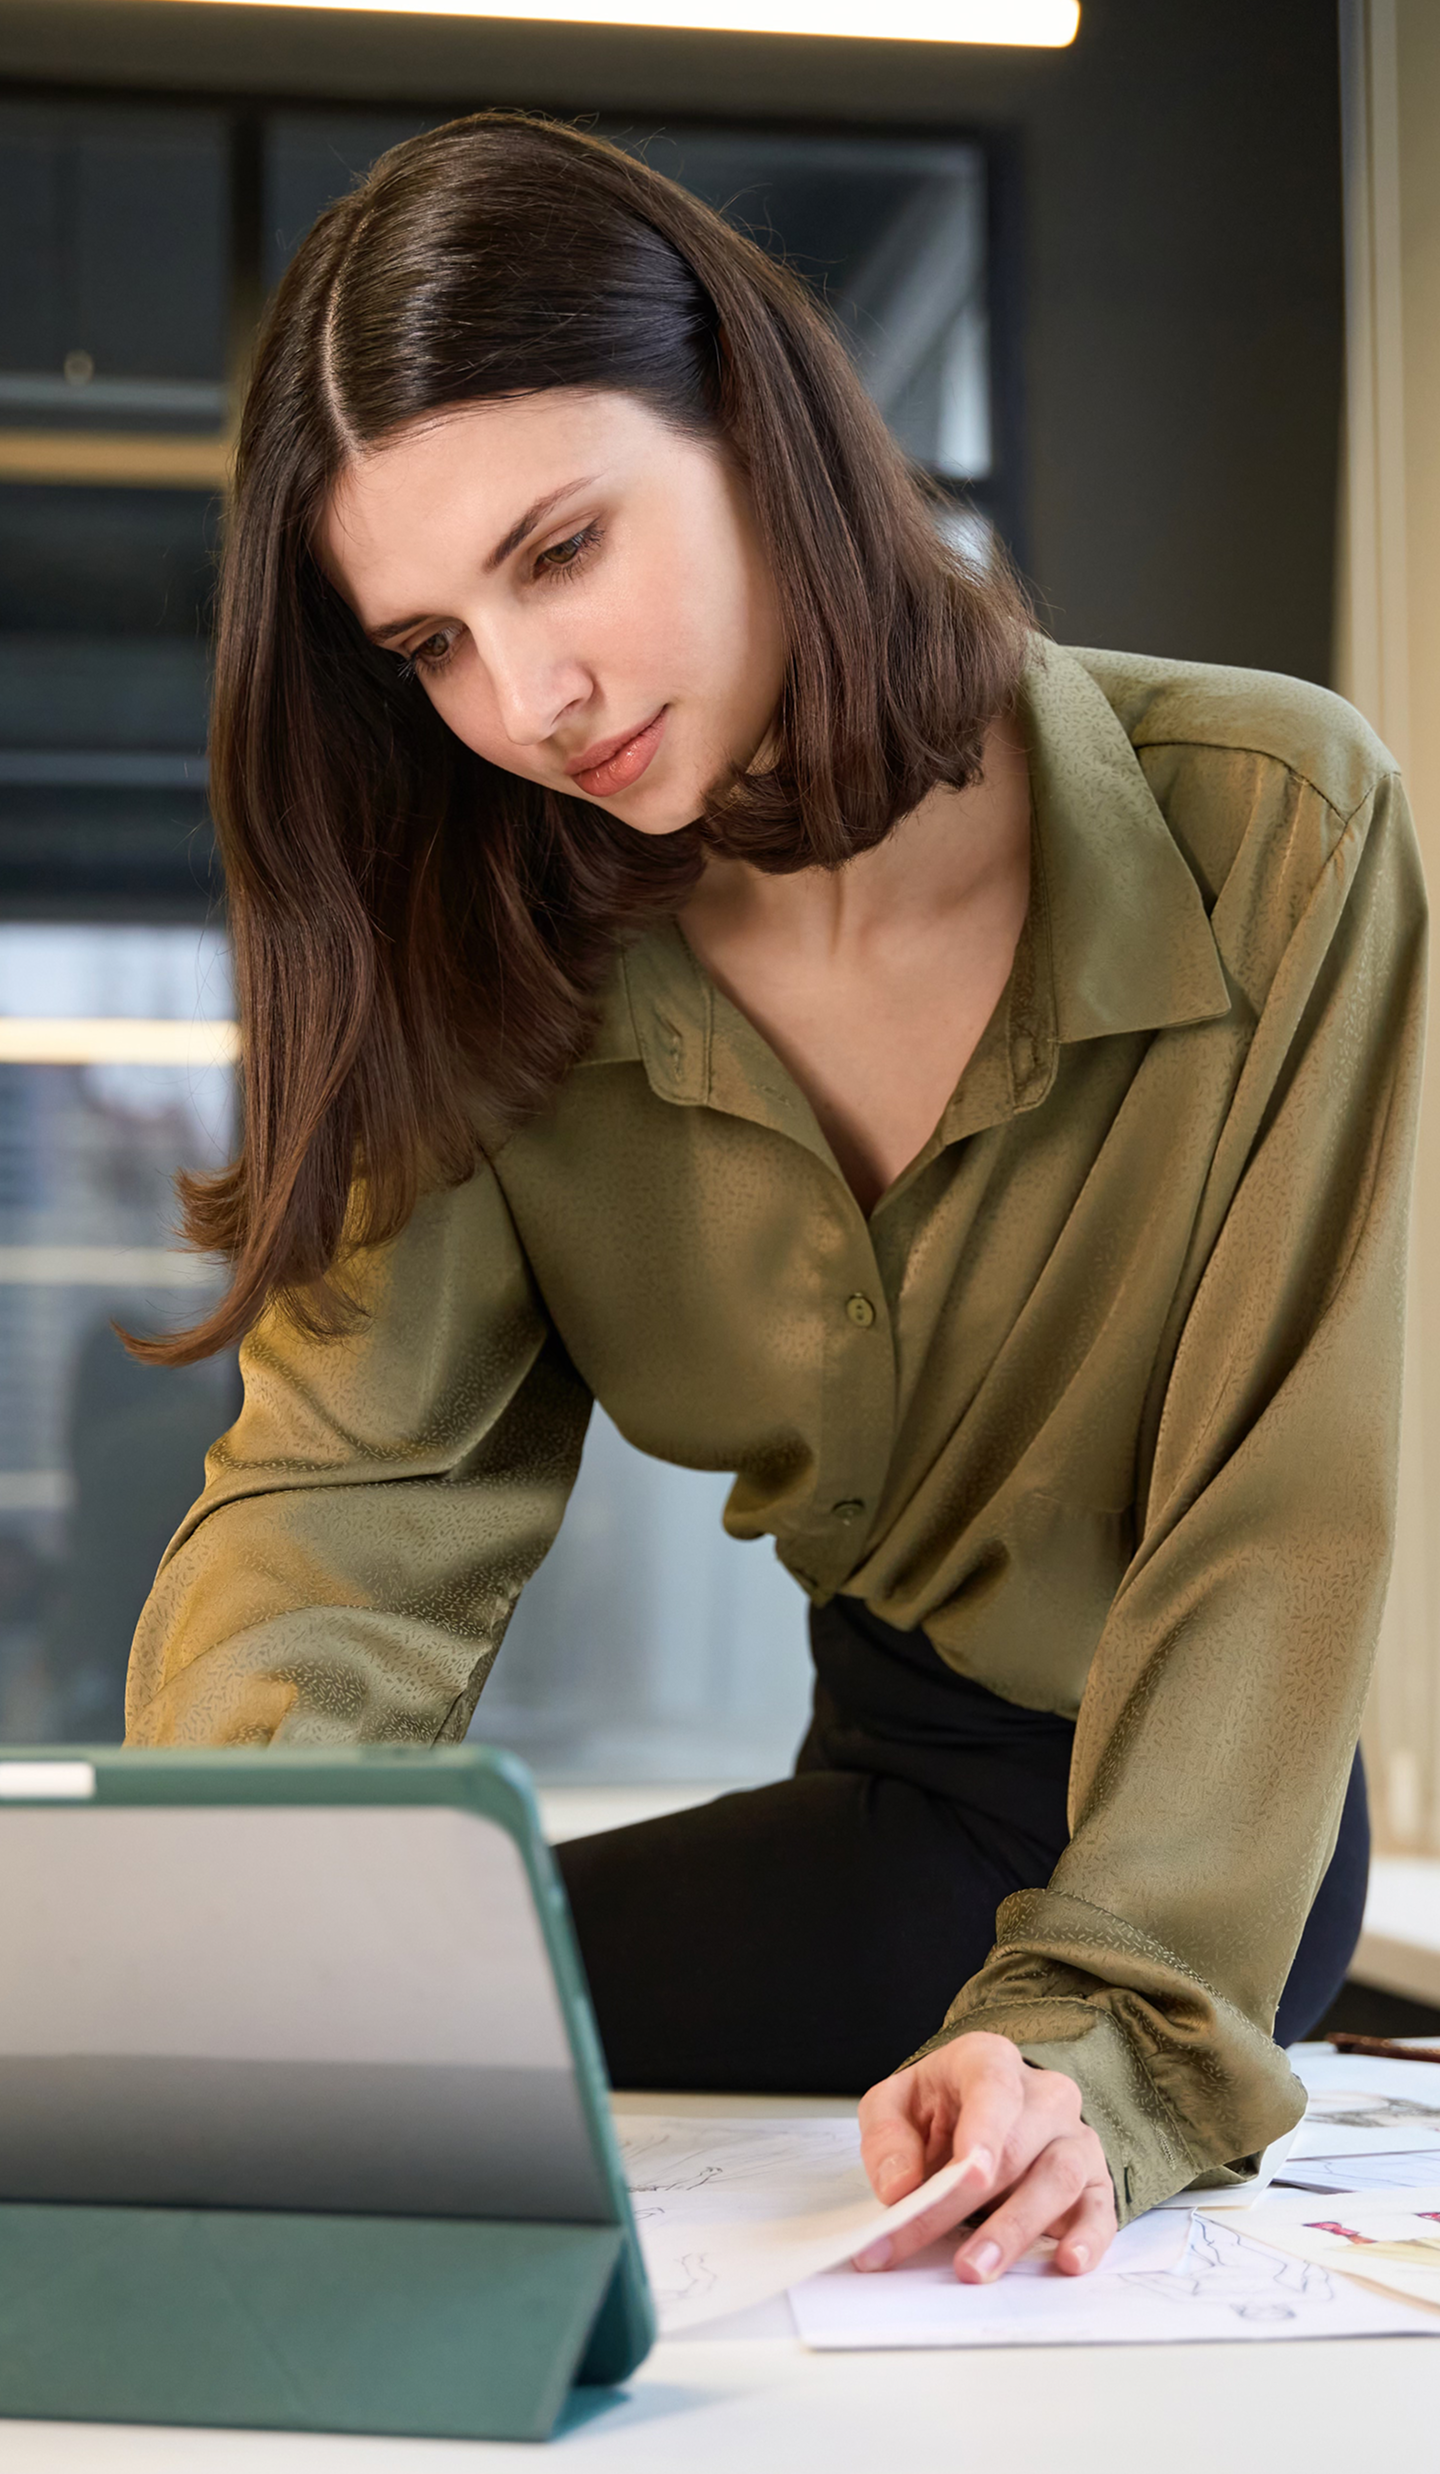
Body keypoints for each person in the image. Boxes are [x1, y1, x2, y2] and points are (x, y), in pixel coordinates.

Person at [125, 112, 1426, 2287]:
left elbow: (1279, 1519)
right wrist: (236, 1934)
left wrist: (1104, 2041)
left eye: (558, 552)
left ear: (752, 422)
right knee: (372, 2035)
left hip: (1209, 1822)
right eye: (428, 644)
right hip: (885, 1796)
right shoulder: (492, 943)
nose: (526, 703)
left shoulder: (1277, 829)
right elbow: (347, 1502)